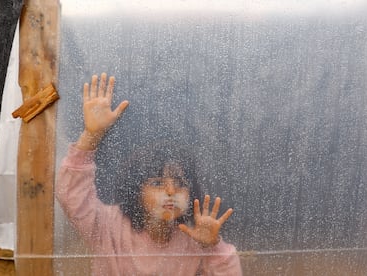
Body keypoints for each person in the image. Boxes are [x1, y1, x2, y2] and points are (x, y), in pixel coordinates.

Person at [56, 73, 243, 275]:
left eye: (180, 183)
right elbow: (70, 195)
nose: (171, 190)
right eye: (157, 183)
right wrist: (91, 135)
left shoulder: (194, 240)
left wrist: (213, 246)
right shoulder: (107, 225)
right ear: (136, 189)